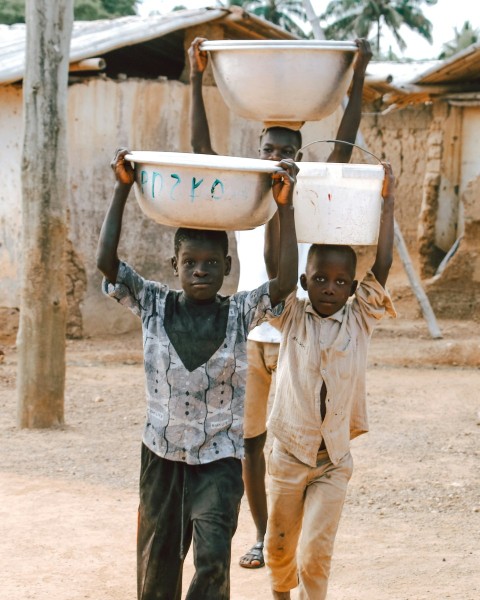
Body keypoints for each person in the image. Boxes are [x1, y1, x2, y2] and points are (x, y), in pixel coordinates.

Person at [188, 35, 373, 569]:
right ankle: (265, 537)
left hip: (299, 338)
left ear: (299, 156)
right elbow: (201, 153)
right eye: (270, 149)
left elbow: (345, 138)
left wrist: (357, 71)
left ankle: (291, 538)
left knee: (294, 447)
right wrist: (196, 75)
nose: (278, 158)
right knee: (250, 441)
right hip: (252, 335)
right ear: (258, 151)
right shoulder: (245, 194)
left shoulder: (312, 191)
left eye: (288, 151)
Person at [96, 148, 299, 600]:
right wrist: (122, 188)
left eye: (212, 263)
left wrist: (284, 207)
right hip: (162, 457)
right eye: (190, 263)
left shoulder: (240, 310)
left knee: (212, 560)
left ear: (228, 267)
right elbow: (107, 264)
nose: (201, 271)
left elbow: (285, 282)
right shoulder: (153, 303)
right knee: (157, 566)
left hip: (219, 461)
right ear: (175, 267)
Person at [263, 162, 397, 599]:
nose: (329, 287)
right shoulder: (292, 316)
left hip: (333, 459)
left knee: (315, 555)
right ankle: (281, 593)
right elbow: (276, 273)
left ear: (353, 287)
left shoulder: (360, 318)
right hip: (287, 453)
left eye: (341, 281)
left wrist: (386, 201)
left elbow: (384, 262)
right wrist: (284, 209)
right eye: (319, 278)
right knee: (279, 551)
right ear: (305, 281)